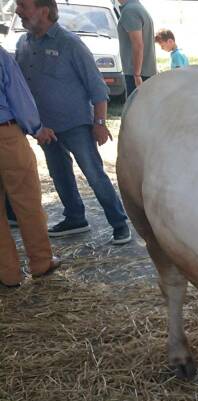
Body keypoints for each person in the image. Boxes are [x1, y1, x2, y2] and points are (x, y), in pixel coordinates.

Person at [14, 0, 131, 244]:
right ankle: (75, 218)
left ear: (44, 10)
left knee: (94, 174)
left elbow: (97, 87)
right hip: (45, 128)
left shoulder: (70, 44)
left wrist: (99, 122)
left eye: (24, 6)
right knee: (60, 174)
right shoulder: (23, 43)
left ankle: (119, 222)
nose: (18, 11)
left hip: (77, 124)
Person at [0, 45, 57, 288]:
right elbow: (18, 96)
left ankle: (7, 273)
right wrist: (36, 128)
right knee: (27, 201)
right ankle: (41, 262)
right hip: (6, 135)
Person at [116, 0, 156, 95]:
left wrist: (137, 75)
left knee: (134, 108)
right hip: (143, 72)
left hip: (138, 74)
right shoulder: (136, 7)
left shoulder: (130, 10)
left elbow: (138, 45)